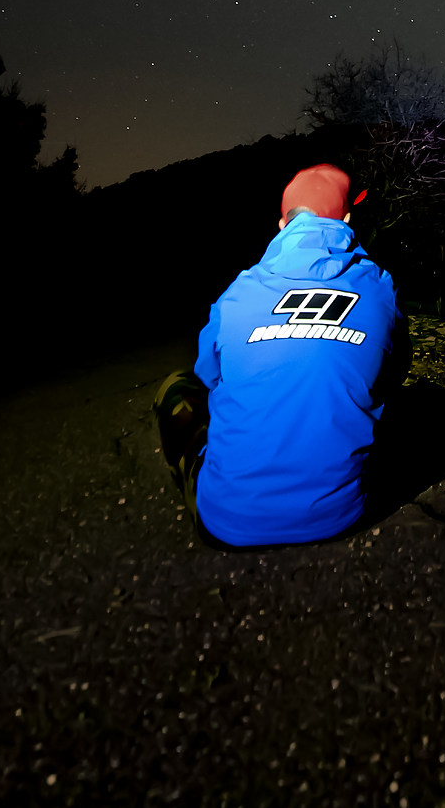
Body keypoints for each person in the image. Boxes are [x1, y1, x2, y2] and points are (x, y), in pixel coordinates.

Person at [153, 162, 409, 546]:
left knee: (176, 387)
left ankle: (209, 476)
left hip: (227, 525)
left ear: (281, 225)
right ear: (348, 218)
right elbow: (395, 371)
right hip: (342, 518)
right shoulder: (381, 288)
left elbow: (208, 377)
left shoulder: (238, 291)